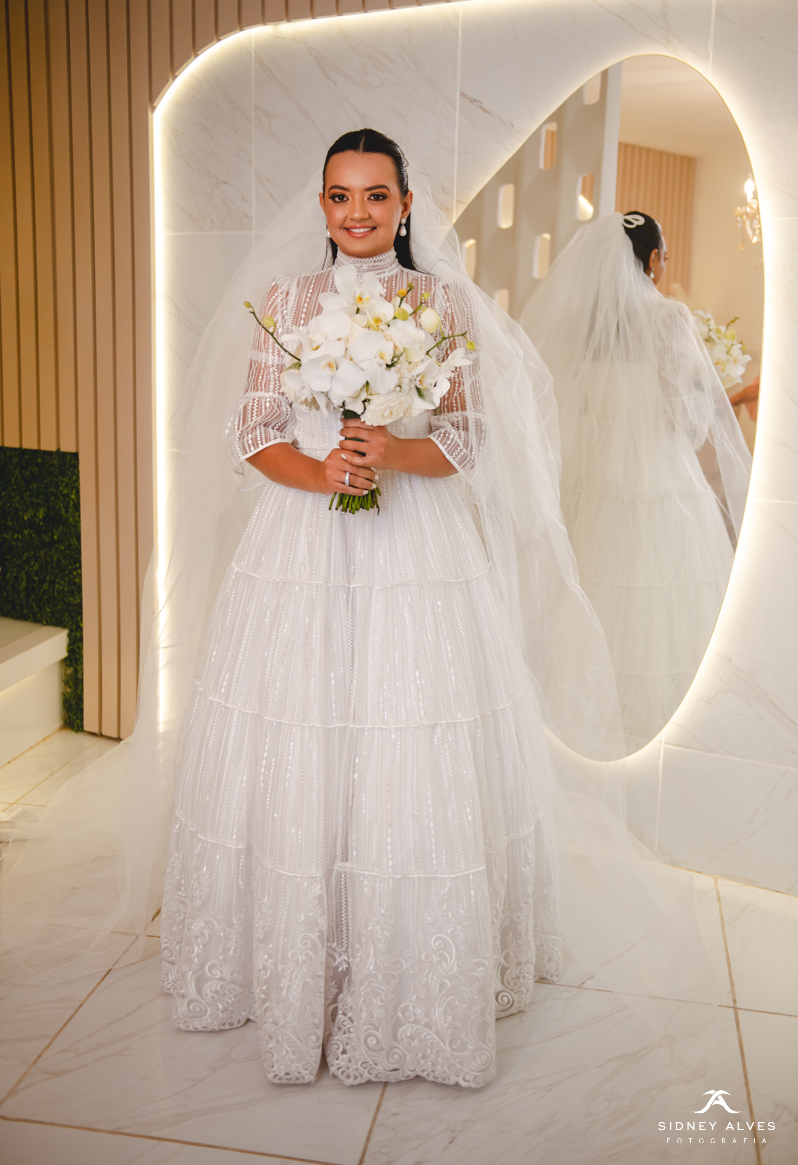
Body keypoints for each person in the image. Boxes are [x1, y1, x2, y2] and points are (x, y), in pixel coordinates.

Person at [0, 143, 725, 1089]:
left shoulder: (442, 304)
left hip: (415, 542)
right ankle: (295, 956)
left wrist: (390, 452)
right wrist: (323, 473)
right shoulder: (287, 301)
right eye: (341, 196)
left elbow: (467, 436)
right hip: (299, 542)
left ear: (405, 204)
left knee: (405, 733)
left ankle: (406, 965)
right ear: (322, 203)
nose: (357, 212)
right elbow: (254, 430)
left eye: (376, 195)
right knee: (301, 728)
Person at [522, 212, 752, 752]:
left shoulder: (582, 323)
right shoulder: (668, 317)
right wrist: (705, 395)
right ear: (651, 259)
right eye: (663, 257)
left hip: (596, 482)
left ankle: (592, 719)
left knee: (597, 586)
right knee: (666, 602)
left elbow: (573, 407)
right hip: (659, 479)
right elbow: (683, 418)